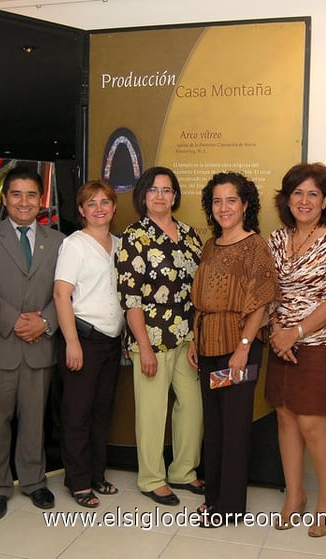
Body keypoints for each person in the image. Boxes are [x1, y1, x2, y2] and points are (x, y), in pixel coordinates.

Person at [0, 167, 64, 520]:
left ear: (42, 200)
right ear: (5, 199)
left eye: (31, 195)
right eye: (17, 195)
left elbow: (67, 290)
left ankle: (35, 482)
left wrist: (45, 322)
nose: (24, 202)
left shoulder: (57, 241)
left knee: (35, 420)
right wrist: (13, 321)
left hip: (40, 345)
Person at [266, 162, 326, 537]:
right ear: (287, 199)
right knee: (285, 417)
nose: (304, 200)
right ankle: (295, 495)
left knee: (312, 424)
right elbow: (267, 294)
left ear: (325, 200)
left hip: (318, 345)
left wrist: (296, 332)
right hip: (279, 342)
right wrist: (276, 332)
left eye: (312, 194)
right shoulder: (274, 240)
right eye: (297, 193)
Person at [187, 172, 278, 527]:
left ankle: (229, 508)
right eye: (217, 201)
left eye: (231, 200)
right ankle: (214, 499)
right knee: (214, 424)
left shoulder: (255, 246)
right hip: (208, 344)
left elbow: (259, 302)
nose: (224, 207)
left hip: (236, 346)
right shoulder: (210, 245)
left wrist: (243, 348)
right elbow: (201, 298)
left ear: (244, 205)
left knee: (234, 427)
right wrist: (195, 339)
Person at [116, 166, 204, 506]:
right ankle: (151, 478)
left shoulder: (190, 235)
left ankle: (183, 471)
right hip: (150, 339)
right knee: (152, 413)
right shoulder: (133, 236)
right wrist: (144, 347)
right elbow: (130, 298)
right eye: (153, 190)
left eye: (167, 190)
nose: (160, 196)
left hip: (186, 337)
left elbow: (197, 292)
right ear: (143, 195)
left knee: (192, 406)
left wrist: (195, 336)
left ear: (175, 196)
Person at [54, 179, 124, 508]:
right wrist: (71, 342)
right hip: (83, 337)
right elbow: (60, 294)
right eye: (91, 203)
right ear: (81, 211)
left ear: (114, 207)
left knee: (101, 412)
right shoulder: (75, 245)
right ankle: (78, 481)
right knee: (77, 414)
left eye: (105, 202)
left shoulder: (122, 245)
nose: (99, 208)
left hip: (111, 341)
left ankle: (97, 474)